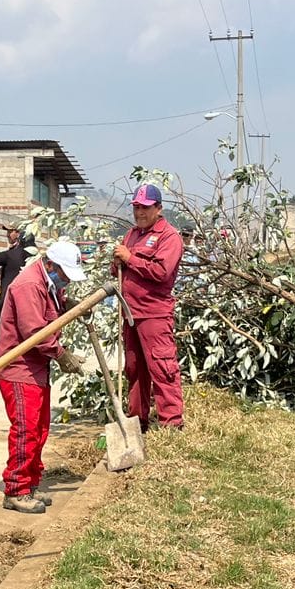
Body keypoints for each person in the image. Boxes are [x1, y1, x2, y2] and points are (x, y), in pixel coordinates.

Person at [0, 240, 90, 514]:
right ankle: (16, 489)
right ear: (50, 265)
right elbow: (34, 331)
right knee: (26, 429)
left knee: (39, 429)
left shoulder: (46, 283)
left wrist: (71, 305)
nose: (65, 282)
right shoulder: (29, 285)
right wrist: (62, 354)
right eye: (63, 275)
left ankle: (31, 483)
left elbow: (53, 304)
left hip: (35, 369)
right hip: (19, 369)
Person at [114, 182, 185, 430]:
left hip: (154, 314)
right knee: (134, 369)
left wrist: (130, 258)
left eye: (145, 208)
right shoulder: (132, 234)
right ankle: (138, 421)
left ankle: (171, 424)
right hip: (130, 313)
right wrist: (117, 261)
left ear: (158, 208)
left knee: (162, 367)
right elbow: (120, 269)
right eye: (136, 207)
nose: (139, 213)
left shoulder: (169, 237)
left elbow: (162, 272)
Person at [0, 225, 34, 306]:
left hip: (9, 297)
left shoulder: (11, 254)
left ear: (18, 234)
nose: (7, 235)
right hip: (27, 297)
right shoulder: (35, 256)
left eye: (10, 232)